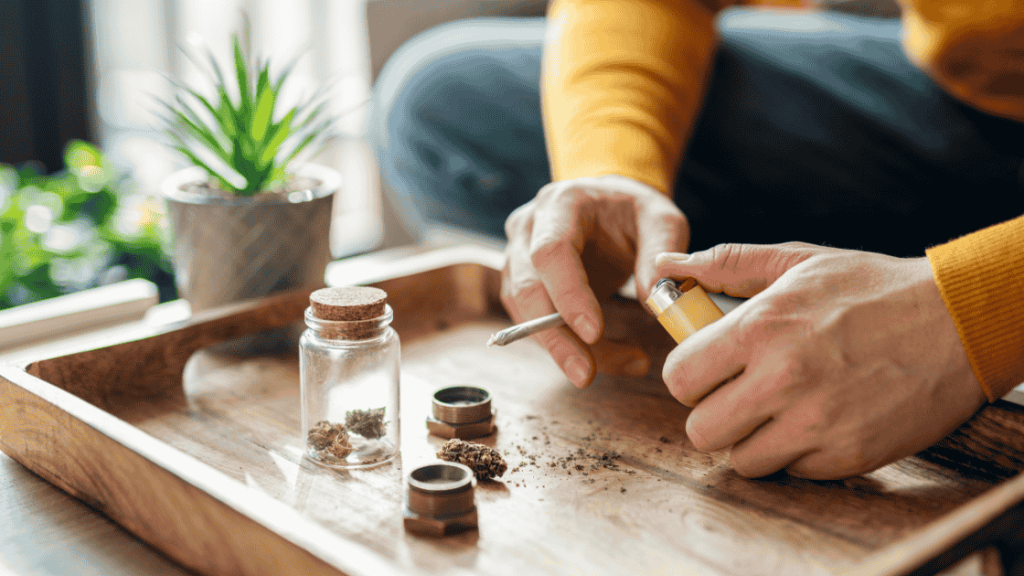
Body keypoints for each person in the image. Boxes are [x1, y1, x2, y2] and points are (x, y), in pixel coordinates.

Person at [368, 0, 1024, 480]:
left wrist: (965, 307)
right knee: (437, 105)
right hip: (988, 103)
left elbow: (972, 308)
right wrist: (613, 170)